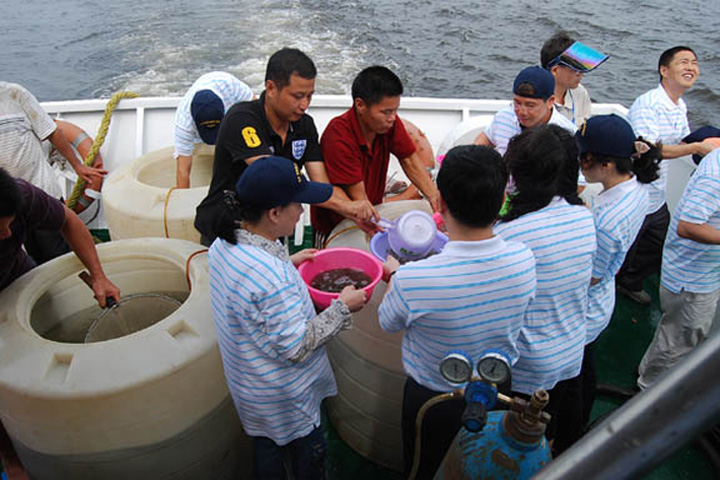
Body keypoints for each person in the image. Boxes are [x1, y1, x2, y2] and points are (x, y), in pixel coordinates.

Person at [378, 145, 537, 478]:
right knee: (481, 464)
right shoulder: (524, 259)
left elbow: (387, 321)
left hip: (432, 397)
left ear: (441, 204)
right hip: (497, 388)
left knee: (425, 466)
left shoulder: (414, 279)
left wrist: (394, 274)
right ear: (500, 204)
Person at [208, 156, 367, 478]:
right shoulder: (270, 278)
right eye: (298, 204)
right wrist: (342, 307)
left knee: (267, 452)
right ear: (274, 213)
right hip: (284, 397)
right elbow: (295, 346)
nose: (302, 211)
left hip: (250, 386)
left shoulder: (223, 244)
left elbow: (250, 295)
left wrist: (288, 262)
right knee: (305, 457)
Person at [194, 48, 376, 245]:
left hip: (271, 227)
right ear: (271, 88)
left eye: (309, 96)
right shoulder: (242, 120)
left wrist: (355, 212)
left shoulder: (304, 125)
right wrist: (348, 207)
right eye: (297, 96)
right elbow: (270, 177)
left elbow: (323, 184)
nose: (304, 105)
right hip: (226, 229)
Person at [494, 125, 596, 455]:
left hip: (528, 365)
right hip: (568, 354)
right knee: (545, 431)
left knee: (516, 439)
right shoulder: (584, 218)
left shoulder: (512, 234)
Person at [575, 115, 659, 425]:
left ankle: (569, 435)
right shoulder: (636, 188)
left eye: (585, 157)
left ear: (607, 165)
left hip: (587, 308)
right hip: (603, 299)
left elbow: (591, 276)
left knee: (575, 376)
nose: (580, 163)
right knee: (586, 366)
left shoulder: (608, 222)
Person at [620, 46, 720, 304]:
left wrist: (705, 144)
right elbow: (649, 150)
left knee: (655, 245)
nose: (691, 67)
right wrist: (696, 147)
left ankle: (629, 283)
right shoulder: (649, 104)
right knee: (624, 246)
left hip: (658, 193)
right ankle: (610, 284)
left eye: (695, 63)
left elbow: (683, 141)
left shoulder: (679, 105)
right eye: (683, 62)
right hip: (636, 191)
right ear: (664, 71)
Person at [311, 66, 439, 238]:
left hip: (371, 209)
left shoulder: (388, 124)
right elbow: (360, 201)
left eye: (395, 110)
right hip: (336, 224)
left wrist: (434, 196)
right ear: (360, 105)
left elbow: (408, 159)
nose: (393, 118)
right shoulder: (339, 137)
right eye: (386, 112)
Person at [637, 148, 720, 389]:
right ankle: (648, 393)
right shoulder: (716, 177)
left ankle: (648, 372)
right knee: (678, 341)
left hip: (703, 273)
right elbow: (688, 226)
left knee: (673, 334)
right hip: (693, 280)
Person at [0, 82, 107, 263]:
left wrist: (78, 166)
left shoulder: (15, 94)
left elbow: (53, 132)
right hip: (6, 205)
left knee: (57, 256)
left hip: (41, 193)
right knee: (25, 257)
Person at [0, 167, 119, 306]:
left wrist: (99, 277)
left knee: (45, 307)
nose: (8, 233)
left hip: (17, 274)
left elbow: (69, 221)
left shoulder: (24, 195)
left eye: (10, 223)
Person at [173, 71, 254, 188]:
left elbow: (254, 110)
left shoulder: (230, 86)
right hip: (199, 140)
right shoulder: (184, 123)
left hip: (233, 122)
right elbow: (183, 172)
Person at [474, 66, 577, 155]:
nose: (522, 112)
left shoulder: (568, 135)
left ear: (550, 102)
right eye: (517, 103)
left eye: (530, 105)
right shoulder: (503, 117)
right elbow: (486, 137)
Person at [541, 32, 608, 125]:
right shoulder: (537, 100)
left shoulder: (580, 93)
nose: (581, 74)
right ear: (555, 70)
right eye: (576, 70)